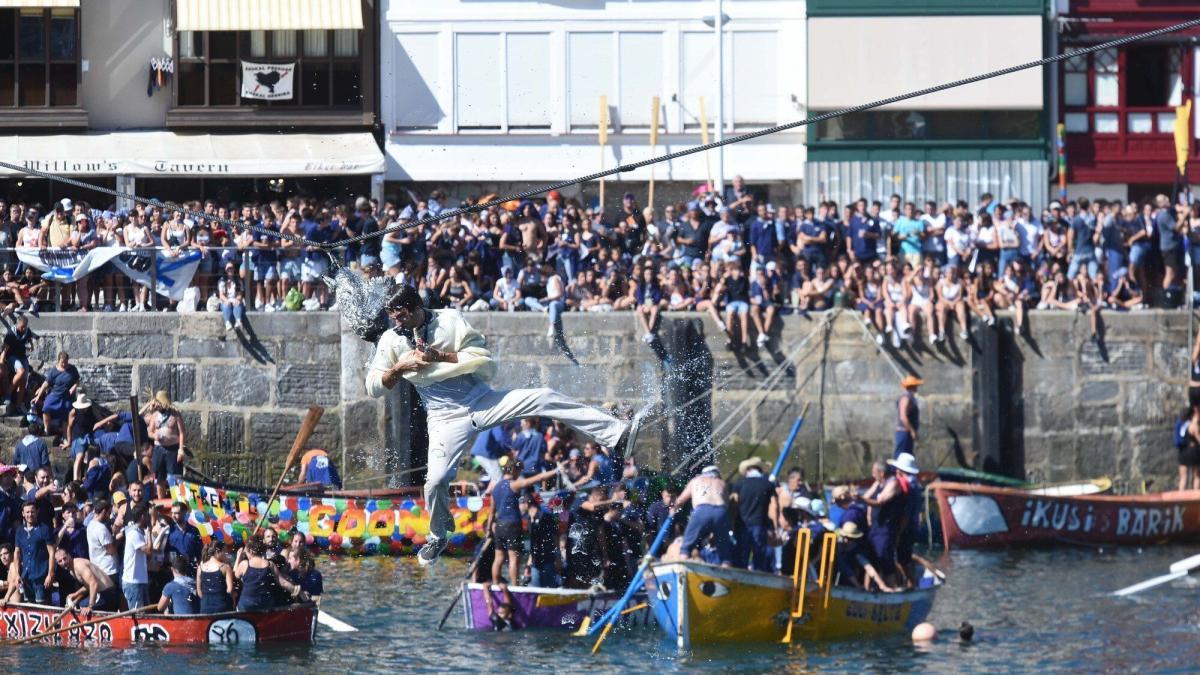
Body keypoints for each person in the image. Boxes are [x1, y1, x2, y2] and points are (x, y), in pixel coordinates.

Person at [365, 284, 633, 567]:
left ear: (416, 307)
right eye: (392, 316)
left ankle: (615, 433)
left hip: (481, 401)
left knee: (543, 397)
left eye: (401, 315)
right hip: (444, 418)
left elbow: (481, 358)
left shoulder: (449, 319)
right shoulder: (390, 340)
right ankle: (437, 535)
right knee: (435, 481)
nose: (396, 322)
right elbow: (373, 386)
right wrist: (399, 368)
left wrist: (438, 356)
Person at [488, 461, 561, 585]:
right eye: (519, 471)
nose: (519, 474)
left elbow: (491, 513)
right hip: (512, 524)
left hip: (499, 524)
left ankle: (495, 583)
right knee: (514, 558)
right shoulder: (513, 484)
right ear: (513, 470)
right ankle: (515, 587)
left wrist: (488, 530)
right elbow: (537, 478)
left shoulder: (495, 488)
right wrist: (556, 470)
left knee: (498, 557)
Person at [672, 465, 732, 566]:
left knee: (687, 544)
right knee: (724, 548)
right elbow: (727, 504)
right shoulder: (722, 483)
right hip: (721, 511)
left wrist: (673, 509)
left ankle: (683, 563)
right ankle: (726, 567)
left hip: (702, 510)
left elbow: (680, 500)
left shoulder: (696, 480)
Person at [858, 461, 902, 583]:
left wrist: (860, 498)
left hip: (886, 528)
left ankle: (892, 590)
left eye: (874, 472)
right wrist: (867, 515)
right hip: (875, 527)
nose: (872, 475)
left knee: (885, 559)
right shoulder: (878, 482)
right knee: (871, 558)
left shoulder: (893, 484)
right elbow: (867, 496)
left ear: (881, 473)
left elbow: (880, 502)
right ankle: (869, 590)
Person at [731, 457, 777, 572]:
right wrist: (775, 527)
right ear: (760, 470)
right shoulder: (768, 485)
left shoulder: (739, 484)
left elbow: (734, 505)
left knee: (742, 557)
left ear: (747, 470)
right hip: (760, 525)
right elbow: (774, 506)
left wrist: (732, 523)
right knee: (759, 557)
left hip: (742, 525)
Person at [235, 537, 301, 611]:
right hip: (265, 603)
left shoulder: (245, 564)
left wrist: (238, 557)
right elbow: (283, 583)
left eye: (246, 552)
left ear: (250, 551)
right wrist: (298, 591)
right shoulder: (270, 564)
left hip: (247, 603)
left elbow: (235, 575)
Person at [889, 452, 923, 587]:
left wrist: (898, 532)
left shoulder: (909, 487)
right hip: (912, 527)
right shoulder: (916, 485)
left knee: (902, 559)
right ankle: (910, 582)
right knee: (906, 557)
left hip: (906, 528)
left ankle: (910, 584)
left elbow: (906, 514)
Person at [55, 547, 120, 614]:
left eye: (65, 558)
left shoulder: (79, 565)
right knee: (81, 604)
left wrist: (90, 606)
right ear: (57, 563)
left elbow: (94, 584)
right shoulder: (71, 570)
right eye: (60, 561)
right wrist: (75, 595)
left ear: (69, 555)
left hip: (109, 594)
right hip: (105, 593)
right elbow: (88, 585)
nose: (64, 562)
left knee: (84, 606)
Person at [122, 505, 163, 610]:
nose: (149, 517)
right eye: (147, 515)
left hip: (141, 581)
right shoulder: (134, 533)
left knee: (146, 614)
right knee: (138, 615)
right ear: (142, 517)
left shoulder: (140, 532)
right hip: (133, 583)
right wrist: (149, 532)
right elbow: (148, 551)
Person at [147, 390, 186, 499]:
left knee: (174, 476)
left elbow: (182, 433)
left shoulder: (175, 414)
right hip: (159, 448)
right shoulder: (155, 415)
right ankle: (161, 499)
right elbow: (149, 431)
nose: (157, 405)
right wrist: (155, 436)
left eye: (158, 402)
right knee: (159, 476)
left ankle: (177, 500)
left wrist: (181, 450)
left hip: (172, 449)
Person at [13, 501, 54, 604]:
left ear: (37, 512)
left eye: (32, 512)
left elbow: (52, 553)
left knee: (42, 607)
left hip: (41, 578)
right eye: (27, 512)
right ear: (23, 513)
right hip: (26, 577)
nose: (30, 514)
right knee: (29, 607)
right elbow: (17, 553)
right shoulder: (19, 531)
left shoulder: (44, 529)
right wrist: (17, 575)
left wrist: (50, 574)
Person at [32, 351, 79, 436]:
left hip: (67, 397)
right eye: (62, 362)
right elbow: (45, 384)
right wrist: (38, 396)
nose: (64, 364)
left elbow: (77, 381)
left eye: (65, 362)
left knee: (67, 414)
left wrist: (74, 387)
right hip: (55, 395)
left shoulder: (72, 369)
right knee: (46, 407)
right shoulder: (54, 371)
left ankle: (66, 435)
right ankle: (47, 429)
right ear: (58, 361)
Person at [525, 493, 562, 588]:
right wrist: (528, 564)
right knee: (535, 589)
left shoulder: (545, 517)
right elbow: (532, 543)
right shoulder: (528, 519)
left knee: (549, 589)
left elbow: (555, 537)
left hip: (548, 559)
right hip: (535, 561)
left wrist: (558, 557)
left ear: (527, 504)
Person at [86, 498, 120, 590]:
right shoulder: (101, 529)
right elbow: (111, 550)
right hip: (109, 570)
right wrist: (119, 536)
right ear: (104, 511)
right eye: (109, 513)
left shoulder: (90, 524)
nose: (109, 516)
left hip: (99, 568)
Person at [196, 541, 234, 614]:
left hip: (205, 606)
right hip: (222, 605)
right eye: (224, 551)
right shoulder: (225, 567)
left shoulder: (200, 567)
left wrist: (207, 599)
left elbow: (199, 590)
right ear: (217, 551)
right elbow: (230, 589)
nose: (226, 554)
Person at [164, 501, 203, 571]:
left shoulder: (194, 531)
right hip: (173, 571)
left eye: (176, 513)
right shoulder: (169, 530)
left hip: (190, 571)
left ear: (184, 513)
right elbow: (163, 552)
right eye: (172, 513)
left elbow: (199, 553)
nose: (173, 516)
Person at [895, 375, 922, 459]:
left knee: (907, 457)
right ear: (912, 386)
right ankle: (894, 472)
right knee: (900, 456)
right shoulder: (906, 398)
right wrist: (912, 431)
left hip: (907, 433)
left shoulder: (910, 398)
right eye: (915, 385)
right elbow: (903, 416)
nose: (917, 387)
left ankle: (905, 472)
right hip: (904, 432)